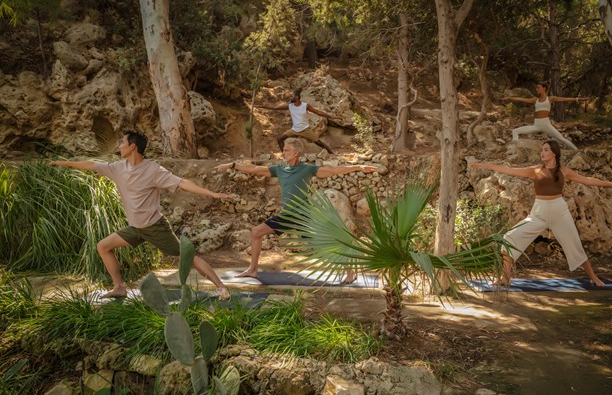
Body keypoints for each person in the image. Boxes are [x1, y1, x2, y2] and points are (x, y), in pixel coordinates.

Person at [50, 130, 233, 300]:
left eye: (122, 143)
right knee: (103, 246)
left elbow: (183, 183)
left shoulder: (153, 170)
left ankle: (221, 287)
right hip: (136, 228)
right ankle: (119, 287)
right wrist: (64, 163)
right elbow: (91, 165)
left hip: (155, 227)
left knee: (187, 257)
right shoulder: (118, 168)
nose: (119, 146)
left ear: (132, 147)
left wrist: (212, 194)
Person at [215, 138, 375, 281]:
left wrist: (358, 167)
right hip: (287, 216)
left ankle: (350, 272)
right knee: (256, 232)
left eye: (286, 150)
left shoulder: (307, 169)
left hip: (304, 216)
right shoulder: (279, 169)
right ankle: (253, 270)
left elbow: (332, 171)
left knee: (331, 240)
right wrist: (233, 165)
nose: (283, 153)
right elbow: (256, 169)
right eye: (283, 150)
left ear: (295, 153)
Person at [471, 139, 612, 287]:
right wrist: (488, 165)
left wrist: (609, 184)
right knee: (509, 237)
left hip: (559, 211)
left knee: (575, 245)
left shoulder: (564, 171)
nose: (542, 153)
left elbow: (587, 180)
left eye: (546, 150)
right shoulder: (535, 170)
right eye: (542, 150)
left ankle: (594, 278)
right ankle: (505, 278)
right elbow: (510, 170)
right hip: (539, 212)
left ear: (554, 153)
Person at [501, 82, 589, 150]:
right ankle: (514, 148)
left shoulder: (550, 98)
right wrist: (509, 98)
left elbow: (564, 99)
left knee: (561, 139)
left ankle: (577, 150)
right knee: (515, 131)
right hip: (536, 125)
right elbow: (522, 99)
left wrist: (578, 99)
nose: (536, 89)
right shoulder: (535, 100)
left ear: (544, 88)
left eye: (538, 87)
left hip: (546, 125)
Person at [255, 88, 338, 154]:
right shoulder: (290, 106)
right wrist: (262, 106)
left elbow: (318, 112)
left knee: (319, 143)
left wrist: (331, 117)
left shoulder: (305, 106)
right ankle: (285, 155)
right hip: (294, 130)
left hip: (306, 130)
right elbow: (275, 107)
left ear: (297, 97)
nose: (290, 97)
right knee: (279, 139)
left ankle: (332, 153)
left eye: (292, 96)